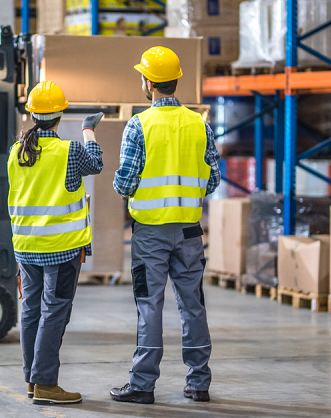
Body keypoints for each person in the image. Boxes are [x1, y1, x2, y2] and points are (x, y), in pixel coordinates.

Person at [109, 46, 221, 404]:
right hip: (190, 231)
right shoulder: (199, 123)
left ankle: (143, 385)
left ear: (148, 82)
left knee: (149, 305)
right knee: (193, 305)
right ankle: (199, 383)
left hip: (150, 235)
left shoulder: (138, 125)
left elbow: (124, 184)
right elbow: (214, 179)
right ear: (176, 81)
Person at [8, 81, 104, 405]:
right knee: (55, 312)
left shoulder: (17, 151)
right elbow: (97, 164)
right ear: (60, 114)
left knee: (31, 311)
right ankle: (46, 384)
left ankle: (33, 380)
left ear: (31, 113)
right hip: (62, 248)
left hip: (26, 247)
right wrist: (88, 129)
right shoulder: (70, 150)